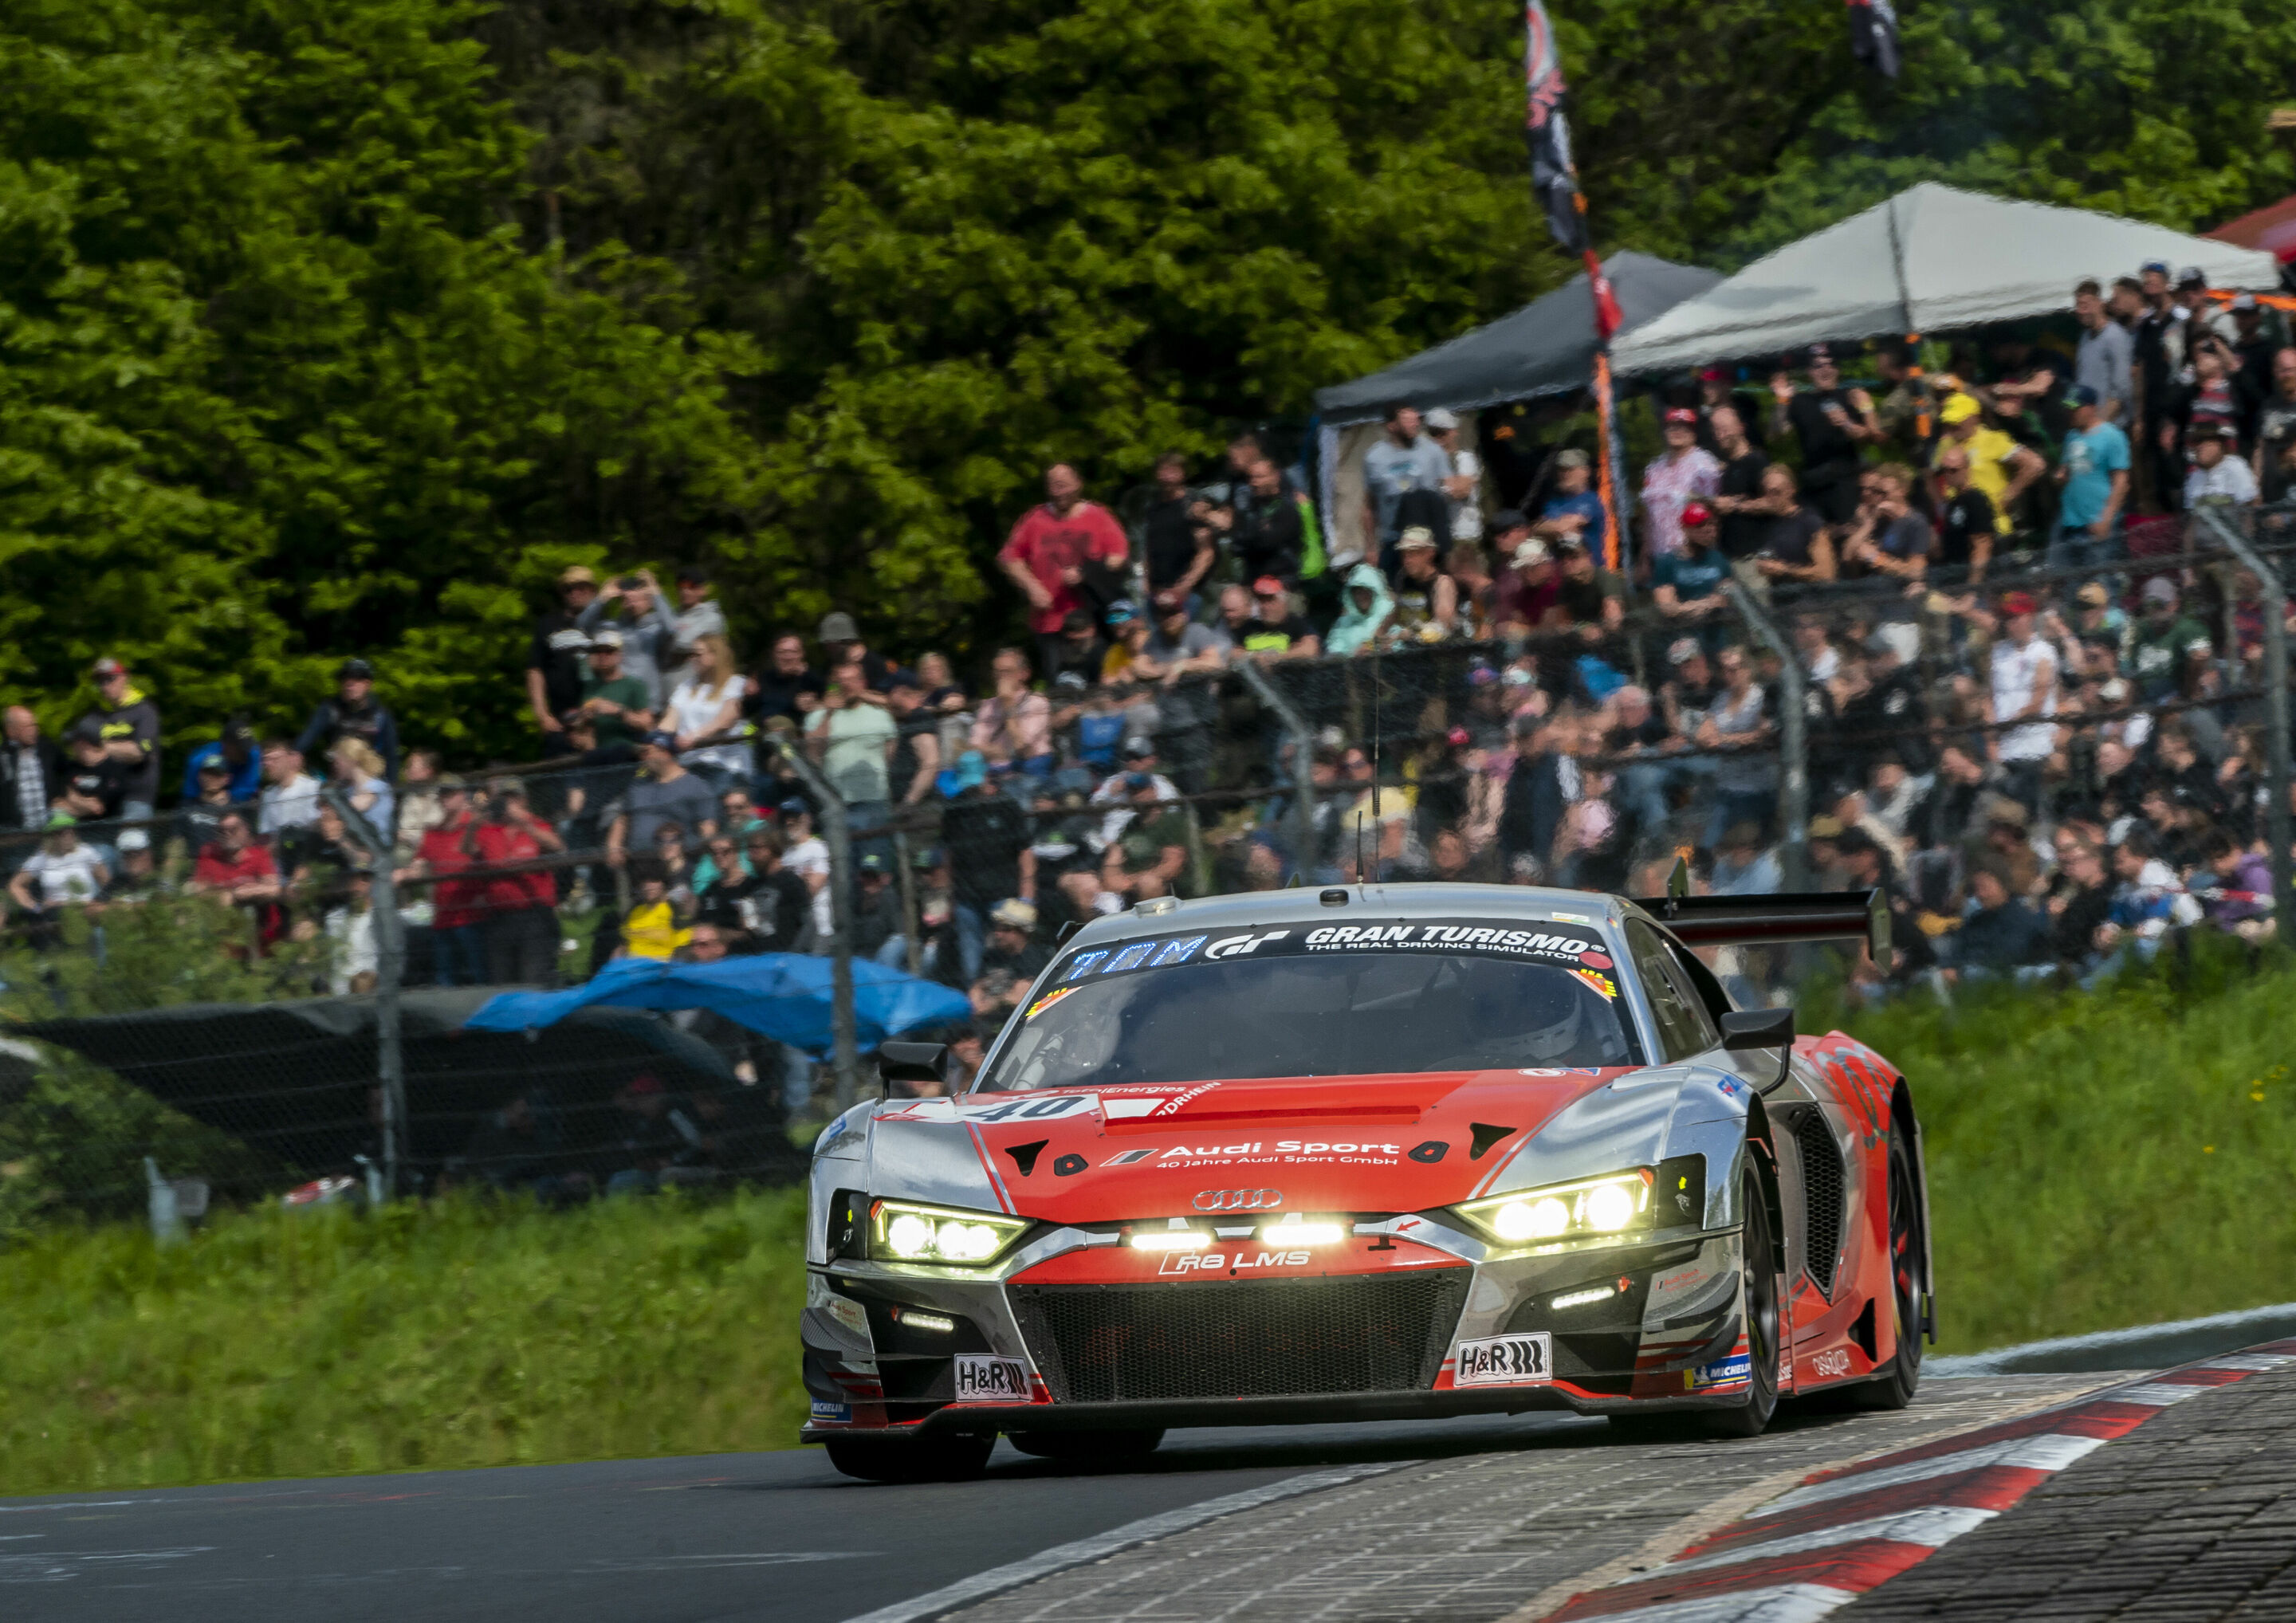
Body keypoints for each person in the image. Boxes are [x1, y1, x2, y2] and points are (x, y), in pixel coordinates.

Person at [999, 463, 1131, 677]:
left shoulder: (1098, 516)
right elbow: (1009, 558)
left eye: (1064, 485)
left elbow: (1119, 557)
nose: (1059, 492)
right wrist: (1033, 588)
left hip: (1093, 620)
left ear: (1078, 484)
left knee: (1101, 684)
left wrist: (1085, 573)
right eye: (1054, 486)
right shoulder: (1035, 519)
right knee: (1063, 688)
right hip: (1050, 622)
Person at [939, 753, 1034, 983]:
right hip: (966, 898)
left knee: (1009, 955)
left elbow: (1025, 851)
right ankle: (977, 1003)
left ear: (985, 776)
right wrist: (949, 896)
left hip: (1004, 895)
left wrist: (1027, 895)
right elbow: (948, 854)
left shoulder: (1006, 806)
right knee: (971, 959)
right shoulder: (954, 810)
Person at [466, 779, 564, 985]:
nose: (509, 803)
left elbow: (557, 846)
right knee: (501, 979)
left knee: (533, 978)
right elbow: (468, 850)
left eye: (514, 798)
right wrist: (474, 824)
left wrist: (525, 824)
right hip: (499, 916)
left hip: (533, 914)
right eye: (505, 799)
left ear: (524, 800)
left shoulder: (537, 824)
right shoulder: (490, 830)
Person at [1767, 344, 1878, 523]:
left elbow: (1869, 437)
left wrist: (1846, 423)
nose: (1825, 370)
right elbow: (1776, 435)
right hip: (1814, 484)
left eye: (1830, 364)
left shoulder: (1850, 396)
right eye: (1818, 366)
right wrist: (1781, 401)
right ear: (1809, 372)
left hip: (1845, 481)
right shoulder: (1800, 401)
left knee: (1848, 529)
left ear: (1836, 369)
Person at [399, 778, 484, 984]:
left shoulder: (476, 827)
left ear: (462, 795)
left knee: (480, 974)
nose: (446, 799)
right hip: (443, 916)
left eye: (451, 793)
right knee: (445, 978)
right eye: (443, 794)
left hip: (473, 916)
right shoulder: (432, 833)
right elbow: (418, 865)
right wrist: (401, 874)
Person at [1987, 592, 2058, 812]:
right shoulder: (1998, 652)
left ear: (2030, 617)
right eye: (2007, 618)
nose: (2011, 623)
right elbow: (1989, 697)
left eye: (2016, 617)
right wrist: (1991, 740)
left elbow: (2038, 701)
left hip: (2035, 747)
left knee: (2029, 809)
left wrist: (2007, 724)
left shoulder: (2044, 651)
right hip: (2004, 748)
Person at [2051, 384, 2130, 580]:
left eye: (2075, 408)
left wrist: (2107, 518)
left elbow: (2121, 481)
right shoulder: (2072, 436)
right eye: (2068, 408)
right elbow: (2067, 469)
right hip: (2071, 521)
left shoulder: (2112, 436)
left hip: (2097, 520)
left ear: (2091, 408)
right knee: (2070, 581)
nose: (2070, 413)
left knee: (2099, 583)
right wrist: (2060, 475)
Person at [1934, 393, 2041, 536]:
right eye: (1949, 420)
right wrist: (1940, 505)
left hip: (1991, 527)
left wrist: (2009, 495)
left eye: (1957, 419)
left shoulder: (1992, 439)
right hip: (1959, 525)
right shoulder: (1946, 443)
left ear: (1974, 418)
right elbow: (1931, 474)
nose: (1953, 425)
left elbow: (2035, 464)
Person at [1360, 404, 1452, 568]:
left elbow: (1449, 488)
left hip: (1429, 540)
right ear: (1392, 426)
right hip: (1393, 540)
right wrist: (1370, 547)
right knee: (1396, 590)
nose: (1415, 424)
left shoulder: (1432, 451)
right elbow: (1369, 506)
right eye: (1407, 420)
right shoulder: (1374, 458)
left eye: (1416, 419)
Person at [607, 733, 720, 865]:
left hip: (679, 865)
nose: (642, 758)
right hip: (639, 866)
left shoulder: (696, 786)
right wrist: (614, 847)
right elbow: (622, 820)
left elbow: (708, 829)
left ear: (664, 751)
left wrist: (704, 863)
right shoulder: (637, 786)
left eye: (646, 752)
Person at [577, 568, 677, 709]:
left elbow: (673, 629)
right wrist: (602, 598)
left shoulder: (656, 627)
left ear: (649, 603)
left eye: (638, 599)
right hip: (620, 700)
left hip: (649, 702)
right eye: (628, 599)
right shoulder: (614, 627)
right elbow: (583, 625)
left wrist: (656, 592)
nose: (632, 603)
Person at [663, 632, 750, 790]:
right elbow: (669, 722)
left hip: (723, 765)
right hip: (688, 764)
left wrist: (694, 736)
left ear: (715, 656)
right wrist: (657, 740)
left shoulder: (735, 683)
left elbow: (726, 719)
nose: (692, 658)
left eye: (698, 654)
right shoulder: (686, 687)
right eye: (691, 654)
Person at [528, 564, 602, 745]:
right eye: (569, 589)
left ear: (592, 590)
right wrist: (542, 714)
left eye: (581, 587)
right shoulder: (548, 623)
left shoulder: (605, 624)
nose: (575, 593)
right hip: (559, 720)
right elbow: (535, 670)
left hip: (597, 718)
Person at [81, 656, 161, 821]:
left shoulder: (144, 710)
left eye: (110, 679)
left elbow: (139, 752)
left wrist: (102, 747)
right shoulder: (95, 714)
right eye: (100, 682)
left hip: (136, 795)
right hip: (103, 796)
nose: (105, 686)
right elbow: (79, 749)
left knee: (132, 842)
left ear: (125, 678)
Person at [297, 658, 400, 784]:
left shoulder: (381, 715)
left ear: (367, 684)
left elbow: (391, 755)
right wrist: (296, 754)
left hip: (371, 782)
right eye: (344, 679)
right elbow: (307, 737)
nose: (349, 684)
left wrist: (391, 788)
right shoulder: (330, 709)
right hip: (338, 780)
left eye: (356, 679)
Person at [1640, 407, 1723, 560]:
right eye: (1672, 427)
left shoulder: (1705, 465)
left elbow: (1714, 511)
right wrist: (1644, 557)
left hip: (1691, 555)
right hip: (1658, 555)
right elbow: (1648, 515)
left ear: (1693, 433)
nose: (1677, 431)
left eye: (1684, 427)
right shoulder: (1654, 468)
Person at [1136, 452, 1214, 609]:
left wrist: (1186, 585)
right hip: (1156, 591)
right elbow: (1148, 548)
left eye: (1172, 471)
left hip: (1188, 592)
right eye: (1163, 471)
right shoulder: (1152, 509)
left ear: (1182, 474)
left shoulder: (1193, 506)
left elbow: (1206, 553)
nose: (1167, 476)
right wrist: (1145, 581)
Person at [10, 814, 108, 937]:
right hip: (55, 910)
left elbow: (106, 880)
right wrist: (36, 907)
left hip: (85, 907)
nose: (68, 835)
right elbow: (16, 885)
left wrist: (99, 901)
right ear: (51, 836)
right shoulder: (42, 859)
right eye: (61, 832)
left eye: (70, 830)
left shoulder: (86, 852)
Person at [1744, 464, 1835, 584]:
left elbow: (1827, 574)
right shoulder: (1766, 525)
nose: (1770, 498)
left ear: (1791, 490)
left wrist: (1785, 570)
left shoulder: (1809, 522)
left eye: (1776, 492)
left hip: (1810, 598)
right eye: (1766, 493)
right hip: (1780, 598)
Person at [1223, 457, 1308, 586]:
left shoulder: (1287, 507)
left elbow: (1267, 542)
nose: (1254, 483)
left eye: (1260, 477)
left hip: (1282, 582)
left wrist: (1252, 536)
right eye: (1251, 478)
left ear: (1275, 476)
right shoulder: (1250, 508)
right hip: (1253, 580)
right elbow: (1236, 546)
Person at [968, 646, 1052, 776]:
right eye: (997, 672)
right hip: (993, 768)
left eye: (1007, 672)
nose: (1001, 678)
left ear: (1024, 674)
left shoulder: (1036, 703)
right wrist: (991, 751)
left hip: (1029, 766)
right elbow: (974, 744)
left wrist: (1008, 704)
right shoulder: (988, 705)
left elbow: (1022, 744)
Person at [1651, 502, 1732, 631]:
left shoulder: (1719, 559)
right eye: (1700, 525)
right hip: (1681, 631)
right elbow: (1668, 608)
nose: (1708, 529)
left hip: (1715, 629)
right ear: (1685, 528)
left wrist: (1688, 607)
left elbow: (1725, 597)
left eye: (1712, 524)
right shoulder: (1667, 562)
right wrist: (1707, 604)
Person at [577, 627, 658, 751]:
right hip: (596, 754)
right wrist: (584, 719)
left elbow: (647, 724)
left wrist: (617, 711)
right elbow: (585, 730)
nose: (603, 656)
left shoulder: (634, 685)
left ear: (619, 655)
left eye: (609, 651)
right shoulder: (590, 686)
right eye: (598, 652)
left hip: (626, 750)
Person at [1931, 446, 1998, 584]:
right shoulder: (1953, 503)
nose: (1948, 474)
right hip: (1953, 579)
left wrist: (1972, 590)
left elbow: (1982, 546)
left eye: (1954, 470)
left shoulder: (1975, 499)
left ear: (1967, 468)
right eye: (1944, 470)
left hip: (1970, 583)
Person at [2073, 279, 2134, 426]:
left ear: (2100, 303)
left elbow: (2120, 390)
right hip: (2088, 424)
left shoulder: (2115, 336)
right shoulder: (2085, 337)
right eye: (2078, 305)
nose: (2081, 311)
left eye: (2085, 305)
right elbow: (2081, 379)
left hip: (2110, 426)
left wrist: (2100, 425)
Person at [662, 564, 729, 696]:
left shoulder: (711, 618)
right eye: (682, 587)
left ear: (703, 590)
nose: (685, 591)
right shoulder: (673, 616)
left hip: (697, 690)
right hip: (668, 688)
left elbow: (682, 642)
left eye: (692, 587)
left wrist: (658, 596)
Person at [0, 706, 64, 843]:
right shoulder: (4, 757)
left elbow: (67, 772)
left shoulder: (47, 749)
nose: (33, 731)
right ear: (11, 731)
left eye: (34, 725)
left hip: (51, 834)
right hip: (17, 838)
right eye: (27, 727)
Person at [1530, 449, 1607, 559]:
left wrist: (1551, 526)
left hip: (1590, 569)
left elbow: (1564, 529)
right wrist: (1559, 525)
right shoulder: (1553, 502)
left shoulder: (1593, 501)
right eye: (1561, 470)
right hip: (1560, 570)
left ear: (1586, 471)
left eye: (1570, 469)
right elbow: (1536, 530)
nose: (1564, 474)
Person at [1425, 407, 1484, 547]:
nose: (1438, 438)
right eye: (1434, 433)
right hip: (1436, 533)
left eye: (1442, 433)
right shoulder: (1427, 462)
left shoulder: (1465, 458)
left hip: (1464, 532)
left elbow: (1461, 491)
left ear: (1454, 432)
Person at [1390, 529, 1460, 639]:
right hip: (1405, 649)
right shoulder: (1402, 579)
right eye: (1404, 555)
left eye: (1413, 554)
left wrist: (1413, 633)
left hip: (1433, 651)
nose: (1407, 560)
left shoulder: (1442, 583)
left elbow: (1444, 626)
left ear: (1430, 553)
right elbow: (1392, 617)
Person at [178, 713, 261, 804]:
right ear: (225, 745)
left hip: (237, 802)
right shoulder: (198, 761)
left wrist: (229, 798)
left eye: (247, 746)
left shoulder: (253, 753)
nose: (245, 752)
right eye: (240, 748)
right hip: (203, 804)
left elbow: (249, 788)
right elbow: (190, 796)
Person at [1324, 563, 1396, 656]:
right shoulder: (1343, 623)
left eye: (1366, 591)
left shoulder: (1389, 615)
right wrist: (1354, 656)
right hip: (1349, 669)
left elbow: (1398, 642)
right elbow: (1333, 652)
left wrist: (1375, 648)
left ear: (1374, 592)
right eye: (1358, 592)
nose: (1362, 596)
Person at [2184, 421, 2259, 509]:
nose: (2199, 447)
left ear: (2219, 444)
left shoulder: (2235, 467)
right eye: (2196, 442)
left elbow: (2251, 505)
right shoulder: (2194, 478)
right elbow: (2191, 516)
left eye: (2205, 441)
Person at [258, 740, 322, 837]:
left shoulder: (311, 788)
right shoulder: (268, 795)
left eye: (275, 759)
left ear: (290, 759)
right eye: (266, 760)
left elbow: (316, 823)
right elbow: (266, 831)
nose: (269, 764)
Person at [980, 898, 1050, 980]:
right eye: (996, 928)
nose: (998, 934)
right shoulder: (991, 957)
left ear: (1024, 932)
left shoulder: (1036, 961)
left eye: (1005, 929)